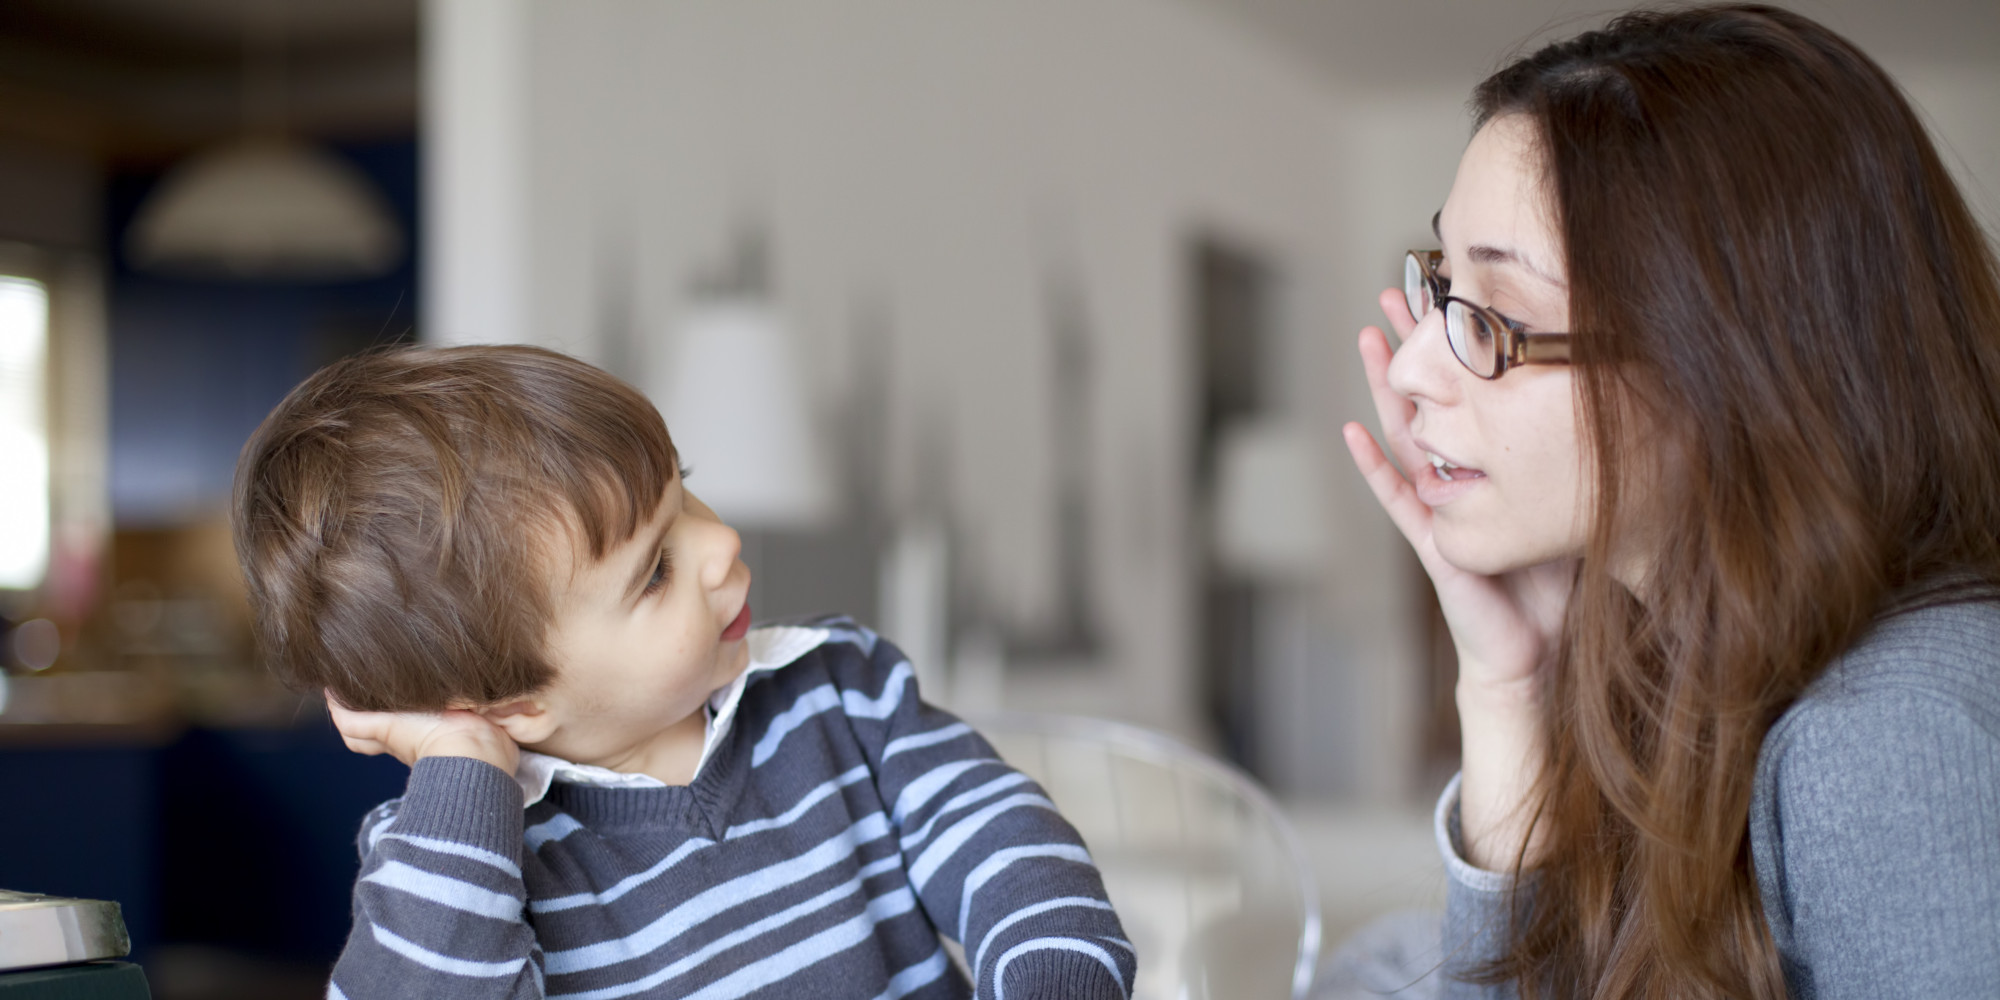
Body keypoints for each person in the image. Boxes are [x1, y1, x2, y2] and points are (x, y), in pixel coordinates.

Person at [1339, 5, 2000, 998]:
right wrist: (1507, 687)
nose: (1415, 366)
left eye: (1495, 317)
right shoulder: (1677, 662)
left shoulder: (1881, 738)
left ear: (1727, 364)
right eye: (1441, 291)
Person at [231, 345, 1134, 1000]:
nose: (720, 542)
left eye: (683, 489)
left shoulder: (840, 693)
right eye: (654, 570)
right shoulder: (466, 866)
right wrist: (467, 762)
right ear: (518, 702)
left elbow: (1011, 849)